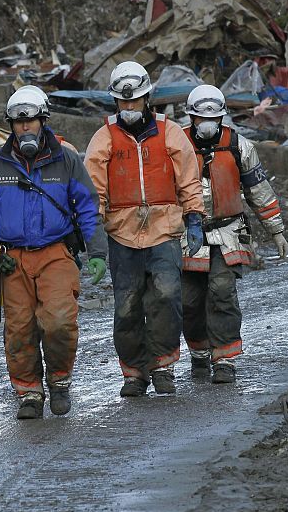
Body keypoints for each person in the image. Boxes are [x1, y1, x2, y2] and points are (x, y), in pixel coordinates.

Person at [0, 86, 108, 420]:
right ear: (11, 125)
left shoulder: (66, 159)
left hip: (56, 253)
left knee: (59, 321)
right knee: (19, 329)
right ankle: (29, 391)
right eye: (19, 122)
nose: (25, 126)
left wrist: (97, 251)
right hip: (11, 259)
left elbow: (87, 206)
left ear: (43, 120)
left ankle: (59, 382)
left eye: (30, 120)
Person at [84, 61, 205, 397]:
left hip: (164, 230)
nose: (129, 106)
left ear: (147, 97)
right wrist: (93, 235)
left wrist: (194, 217)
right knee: (127, 306)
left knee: (166, 296)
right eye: (123, 101)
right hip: (121, 234)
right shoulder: (104, 137)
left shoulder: (170, 132)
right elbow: (93, 190)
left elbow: (189, 179)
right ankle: (134, 373)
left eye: (134, 100)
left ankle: (163, 366)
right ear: (115, 101)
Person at [181, 85, 288, 383]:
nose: (207, 124)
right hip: (186, 233)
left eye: (213, 118)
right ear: (190, 117)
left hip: (228, 232)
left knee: (222, 292)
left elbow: (258, 189)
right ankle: (199, 352)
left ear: (221, 117)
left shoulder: (239, 146)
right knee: (189, 299)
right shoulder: (176, 145)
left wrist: (276, 230)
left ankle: (224, 359)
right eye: (201, 118)